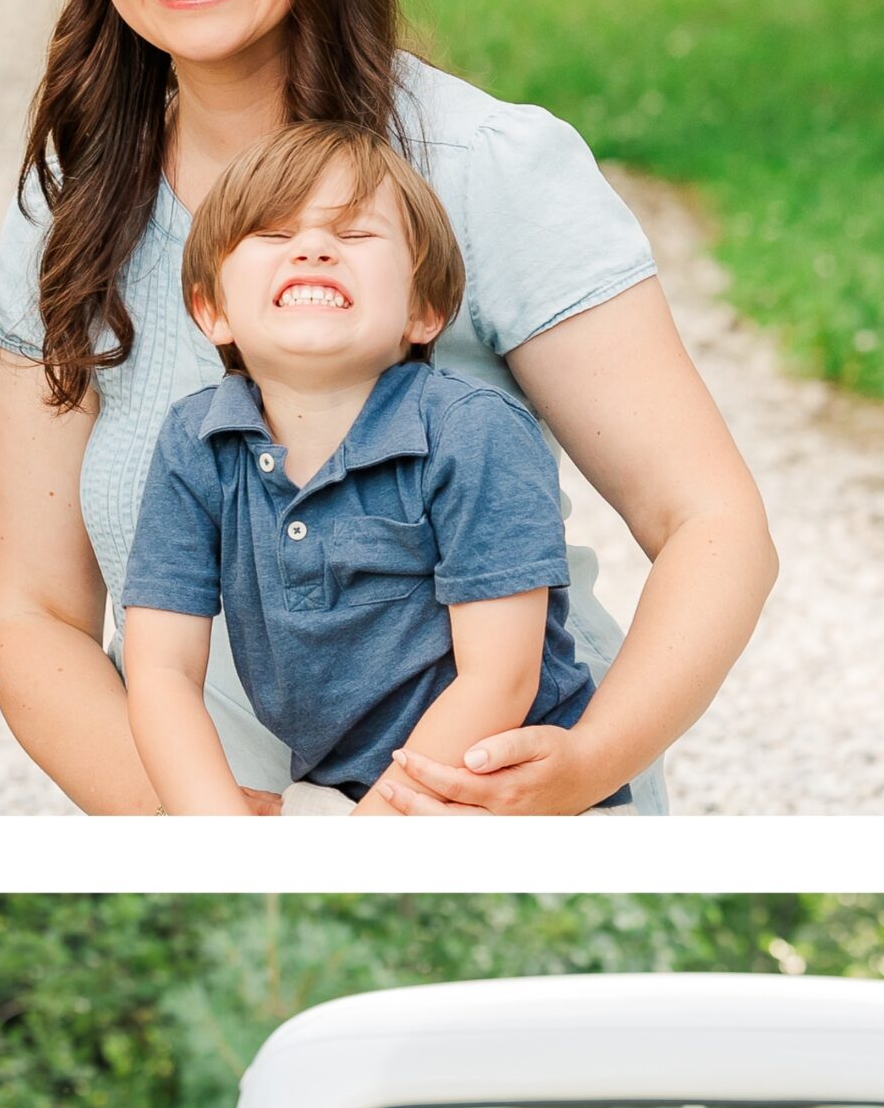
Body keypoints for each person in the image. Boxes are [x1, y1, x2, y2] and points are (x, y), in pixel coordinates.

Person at [0, 0, 776, 817]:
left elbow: (713, 524)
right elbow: (30, 610)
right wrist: (210, 840)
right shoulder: (72, 204)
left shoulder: (485, 166)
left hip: (476, 812)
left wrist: (587, 762)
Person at [122, 123, 629, 815]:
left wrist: (364, 847)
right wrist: (222, 840)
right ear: (212, 310)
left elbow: (499, 679)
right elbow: (161, 670)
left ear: (423, 309)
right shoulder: (197, 441)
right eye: (273, 235)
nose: (313, 247)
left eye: (356, 236)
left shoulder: (468, 432)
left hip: (502, 792)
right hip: (340, 796)